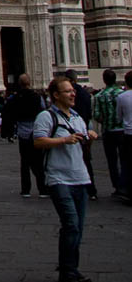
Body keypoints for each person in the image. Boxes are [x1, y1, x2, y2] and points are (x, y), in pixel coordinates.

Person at [34, 76, 99, 282]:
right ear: (55, 95)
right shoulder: (46, 116)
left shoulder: (78, 117)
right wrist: (63, 140)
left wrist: (89, 135)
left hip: (80, 177)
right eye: (68, 91)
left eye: (73, 90)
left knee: (77, 228)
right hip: (58, 178)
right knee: (71, 224)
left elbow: (83, 140)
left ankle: (71, 269)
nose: (73, 94)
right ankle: (67, 273)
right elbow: (38, 141)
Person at [2, 74, 47, 197]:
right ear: (30, 83)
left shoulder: (15, 98)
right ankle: (43, 189)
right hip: (36, 132)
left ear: (19, 84)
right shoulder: (37, 97)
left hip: (23, 133)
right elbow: (44, 111)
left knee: (25, 162)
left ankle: (26, 190)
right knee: (38, 161)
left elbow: (8, 112)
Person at [92, 69, 126, 197]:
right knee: (124, 160)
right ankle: (125, 185)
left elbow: (96, 115)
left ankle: (117, 187)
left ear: (104, 80)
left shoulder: (99, 96)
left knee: (112, 161)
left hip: (108, 131)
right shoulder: (122, 94)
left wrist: (106, 120)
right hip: (122, 131)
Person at [65, 69, 97, 200]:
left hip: (72, 127)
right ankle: (91, 190)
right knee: (86, 159)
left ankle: (73, 187)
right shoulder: (85, 93)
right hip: (84, 125)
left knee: (71, 156)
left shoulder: (68, 94)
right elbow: (90, 112)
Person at [116, 69, 132, 201]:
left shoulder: (122, 97)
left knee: (128, 163)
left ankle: (128, 191)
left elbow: (119, 117)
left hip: (128, 133)